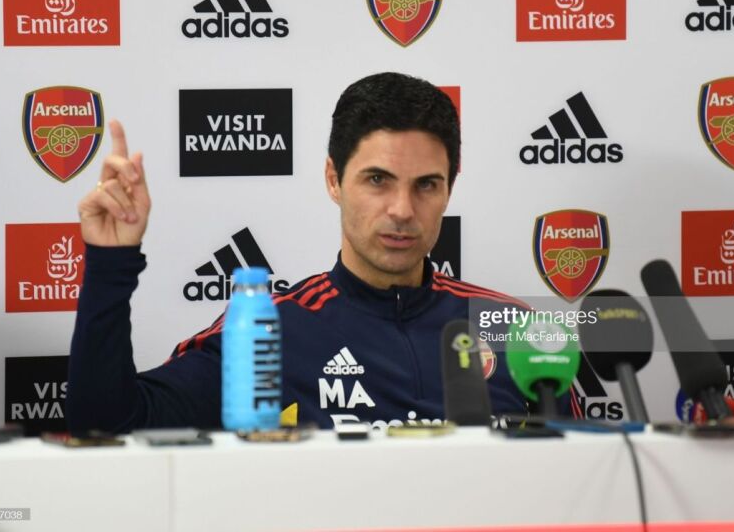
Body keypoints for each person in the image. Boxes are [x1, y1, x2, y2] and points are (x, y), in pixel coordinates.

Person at [67, 72, 571, 433]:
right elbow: (107, 424)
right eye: (378, 180)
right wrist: (110, 265)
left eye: (426, 185)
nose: (402, 209)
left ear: (449, 189)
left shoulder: (515, 329)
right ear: (334, 179)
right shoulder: (268, 332)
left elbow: (583, 478)